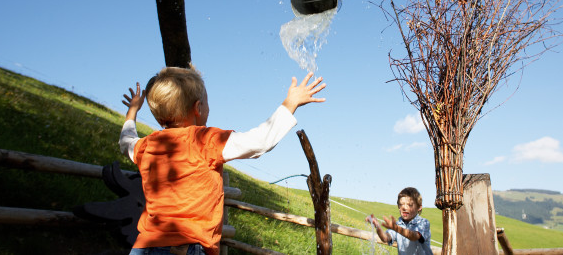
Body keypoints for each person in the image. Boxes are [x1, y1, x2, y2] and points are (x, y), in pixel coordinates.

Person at [119, 66, 326, 255]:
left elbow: (126, 141)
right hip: (185, 248)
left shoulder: (147, 146)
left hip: (144, 247)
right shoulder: (204, 141)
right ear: (198, 107)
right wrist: (291, 103)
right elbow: (259, 142)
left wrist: (133, 112)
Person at [366, 187, 433, 255]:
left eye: (410, 205)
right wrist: (377, 226)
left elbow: (414, 236)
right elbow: (385, 238)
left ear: (419, 207)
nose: (404, 207)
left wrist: (396, 228)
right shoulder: (398, 225)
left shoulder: (423, 223)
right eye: (401, 204)